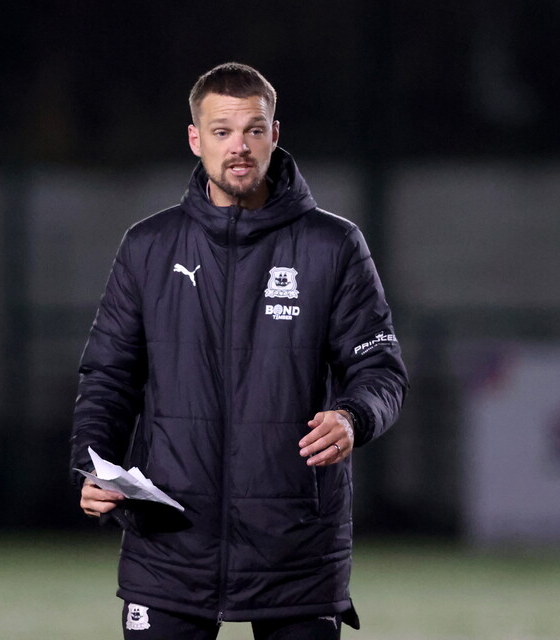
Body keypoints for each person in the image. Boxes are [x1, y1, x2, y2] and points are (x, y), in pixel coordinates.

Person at [71, 62, 408, 640]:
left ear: (276, 134)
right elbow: (108, 377)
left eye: (254, 129)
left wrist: (354, 417)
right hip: (170, 544)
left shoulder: (334, 245)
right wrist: (93, 461)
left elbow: (380, 370)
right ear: (195, 139)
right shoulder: (148, 246)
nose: (240, 147)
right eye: (222, 131)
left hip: (296, 551)